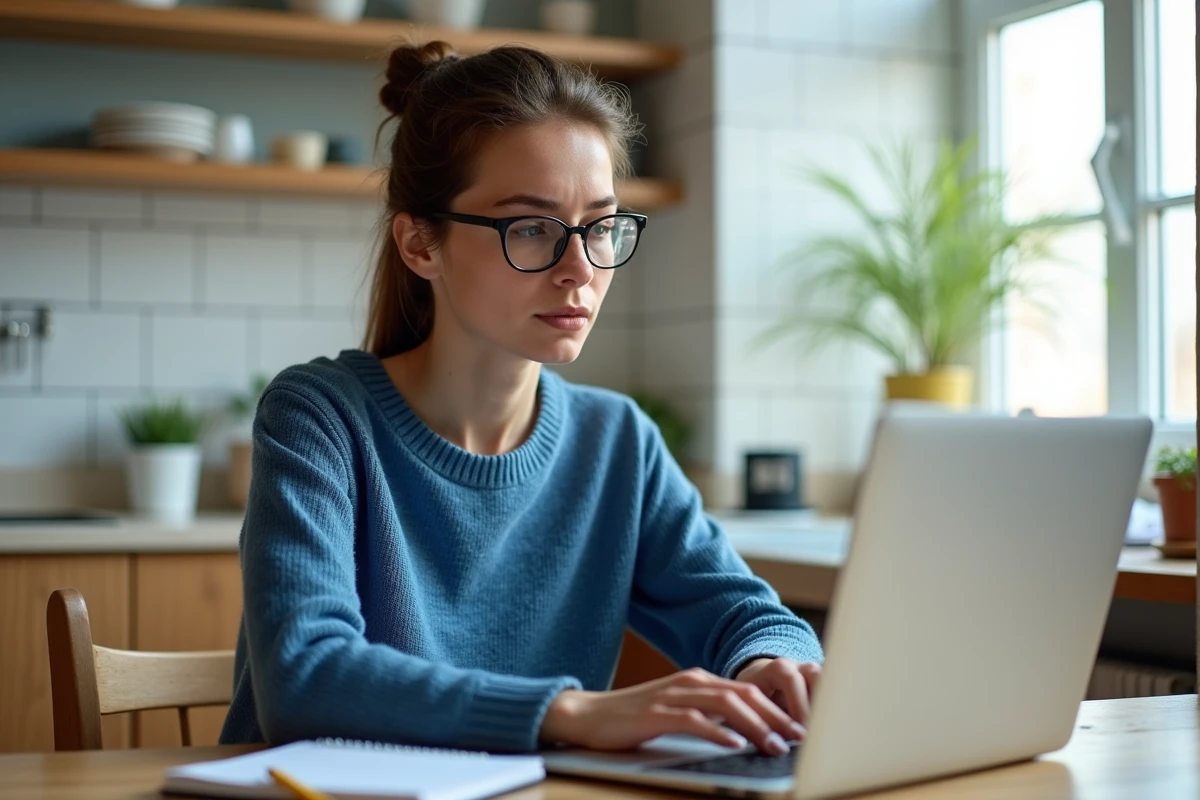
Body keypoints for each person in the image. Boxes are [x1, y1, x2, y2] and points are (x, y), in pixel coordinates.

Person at [219, 41, 823, 758]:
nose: (580, 269)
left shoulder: (617, 441)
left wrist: (770, 664)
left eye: (601, 227)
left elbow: (745, 615)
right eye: (531, 228)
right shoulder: (320, 415)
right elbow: (306, 679)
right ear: (420, 244)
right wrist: (572, 713)